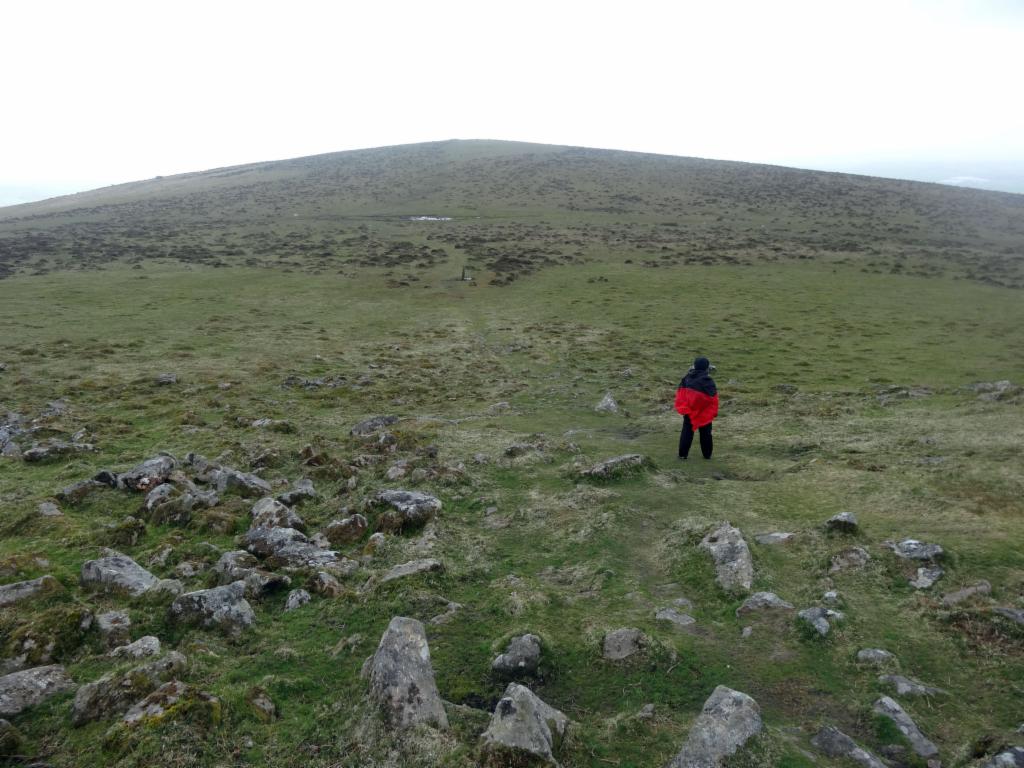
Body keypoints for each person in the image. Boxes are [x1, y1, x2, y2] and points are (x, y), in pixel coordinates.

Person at [674, 356, 718, 459]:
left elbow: (681, 393)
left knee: (687, 432)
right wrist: (713, 411)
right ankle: (707, 455)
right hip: (704, 412)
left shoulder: (687, 378)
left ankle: (682, 455)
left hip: (689, 411)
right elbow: (713, 398)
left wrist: (684, 407)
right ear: (706, 368)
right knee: (706, 434)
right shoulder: (708, 380)